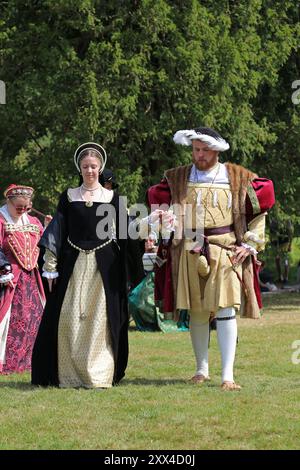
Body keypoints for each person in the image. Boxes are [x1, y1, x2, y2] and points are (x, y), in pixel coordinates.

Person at [137, 127, 275, 390]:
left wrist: (249, 244)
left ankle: (228, 376)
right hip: (189, 250)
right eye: (196, 149)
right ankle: (201, 369)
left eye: (205, 150)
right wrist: (163, 225)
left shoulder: (238, 178)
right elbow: (161, 213)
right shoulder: (177, 178)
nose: (199, 155)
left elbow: (258, 213)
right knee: (198, 312)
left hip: (226, 251)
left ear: (217, 150)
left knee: (225, 310)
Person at [31, 142, 129, 389]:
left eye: (94, 166)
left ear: (100, 167)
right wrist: (50, 265)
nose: (90, 170)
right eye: (85, 166)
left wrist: (153, 224)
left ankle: (98, 375)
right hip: (72, 263)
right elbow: (57, 230)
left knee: (100, 320)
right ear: (80, 167)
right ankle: (68, 375)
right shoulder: (69, 196)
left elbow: (128, 231)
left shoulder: (113, 198)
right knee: (68, 316)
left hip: (104, 267)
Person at [0, 184, 46, 374]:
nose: (22, 211)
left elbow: (44, 246)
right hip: (8, 278)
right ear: (8, 202)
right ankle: (8, 363)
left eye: (25, 208)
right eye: (18, 207)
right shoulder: (1, 221)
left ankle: (30, 361)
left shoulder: (34, 222)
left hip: (32, 279)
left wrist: (51, 228)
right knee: (10, 319)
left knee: (33, 318)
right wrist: (3, 270)